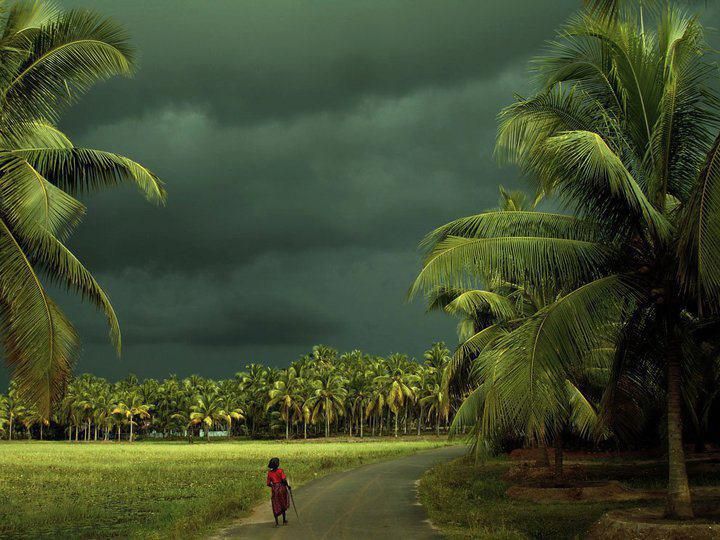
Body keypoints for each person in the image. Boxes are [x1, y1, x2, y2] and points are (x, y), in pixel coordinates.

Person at [266, 457, 291, 526]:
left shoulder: (269, 473)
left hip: (275, 489)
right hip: (282, 488)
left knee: (275, 504)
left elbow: (268, 483)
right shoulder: (280, 471)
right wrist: (288, 486)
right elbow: (283, 480)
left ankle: (277, 523)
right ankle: (284, 520)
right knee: (283, 503)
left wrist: (274, 486)